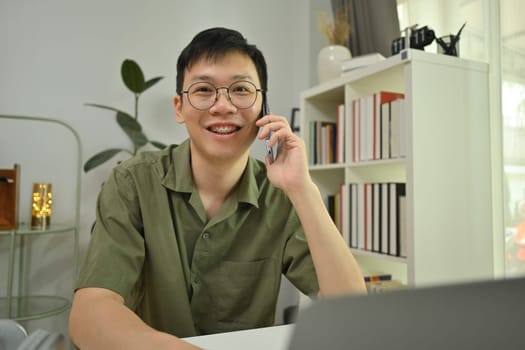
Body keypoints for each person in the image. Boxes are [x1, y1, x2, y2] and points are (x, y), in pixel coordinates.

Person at [69, 27, 366, 349]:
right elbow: (90, 313)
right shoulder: (132, 183)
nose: (223, 106)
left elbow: (349, 311)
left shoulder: (281, 195)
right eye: (204, 90)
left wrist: (304, 188)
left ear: (263, 105)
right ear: (179, 108)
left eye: (240, 89)